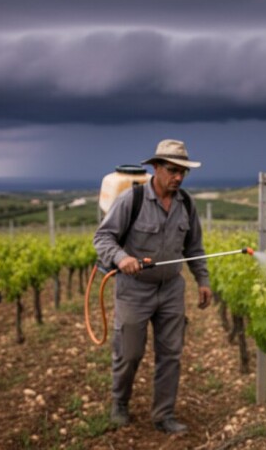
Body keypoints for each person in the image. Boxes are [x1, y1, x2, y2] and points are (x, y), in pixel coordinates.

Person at [93, 139, 212, 434]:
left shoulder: (186, 204)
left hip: (171, 288)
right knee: (130, 353)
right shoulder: (131, 201)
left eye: (183, 171)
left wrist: (203, 280)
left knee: (170, 354)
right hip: (134, 289)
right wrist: (121, 259)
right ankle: (120, 403)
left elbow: (194, 247)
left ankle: (163, 415)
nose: (179, 177)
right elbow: (103, 238)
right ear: (155, 168)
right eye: (172, 170)